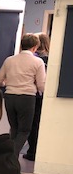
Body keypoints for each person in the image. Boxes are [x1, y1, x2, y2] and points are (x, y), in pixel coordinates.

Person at [0, 33, 46, 157]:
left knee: (14, 129)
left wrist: (7, 83)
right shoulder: (37, 62)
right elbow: (41, 85)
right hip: (27, 98)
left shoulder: (9, 60)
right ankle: (11, 158)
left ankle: (9, 158)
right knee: (24, 131)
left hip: (10, 97)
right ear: (35, 47)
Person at [24, 32, 50, 161]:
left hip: (34, 95)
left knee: (32, 124)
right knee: (37, 123)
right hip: (42, 95)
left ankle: (32, 151)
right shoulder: (48, 58)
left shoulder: (37, 60)